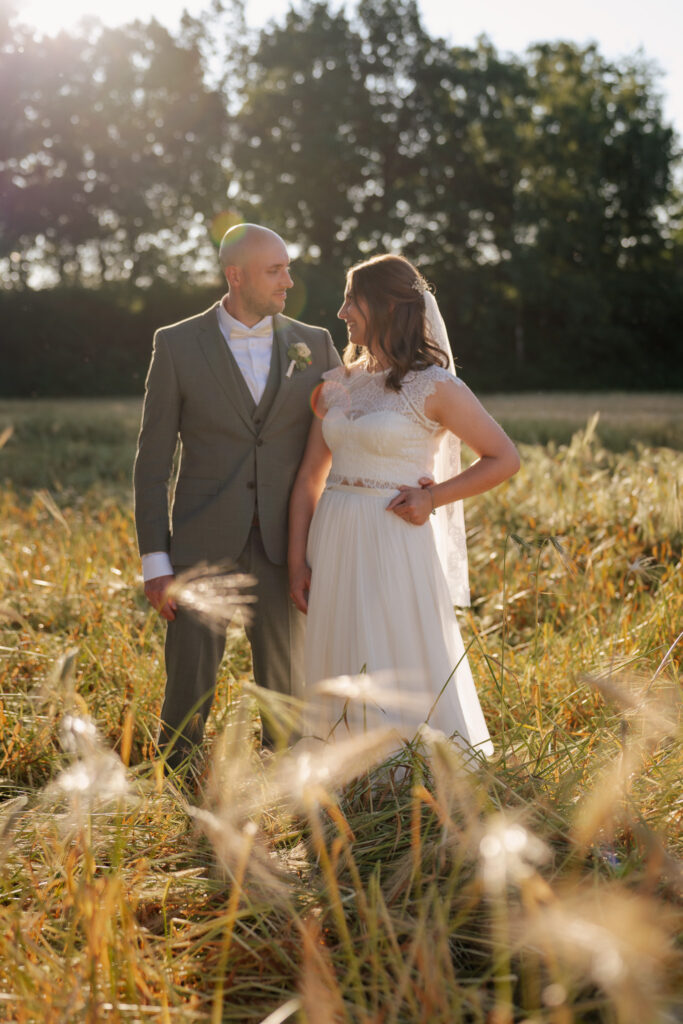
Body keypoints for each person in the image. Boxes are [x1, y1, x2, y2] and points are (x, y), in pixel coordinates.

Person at [288, 254, 520, 757]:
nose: (342, 309)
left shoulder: (433, 385)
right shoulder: (339, 381)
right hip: (332, 534)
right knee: (340, 650)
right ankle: (343, 766)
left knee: (391, 648)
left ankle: (406, 774)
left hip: (392, 534)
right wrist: (295, 560)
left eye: (353, 298)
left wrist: (431, 496)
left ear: (387, 305)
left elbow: (503, 457)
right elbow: (310, 475)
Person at [133, 224, 340, 767]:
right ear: (235, 275)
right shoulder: (175, 344)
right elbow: (152, 463)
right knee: (188, 685)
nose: (288, 281)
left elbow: (345, 434)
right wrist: (156, 560)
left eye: (288, 268)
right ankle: (175, 785)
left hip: (286, 543)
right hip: (201, 541)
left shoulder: (314, 342)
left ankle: (285, 787)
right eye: (275, 270)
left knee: (287, 684)